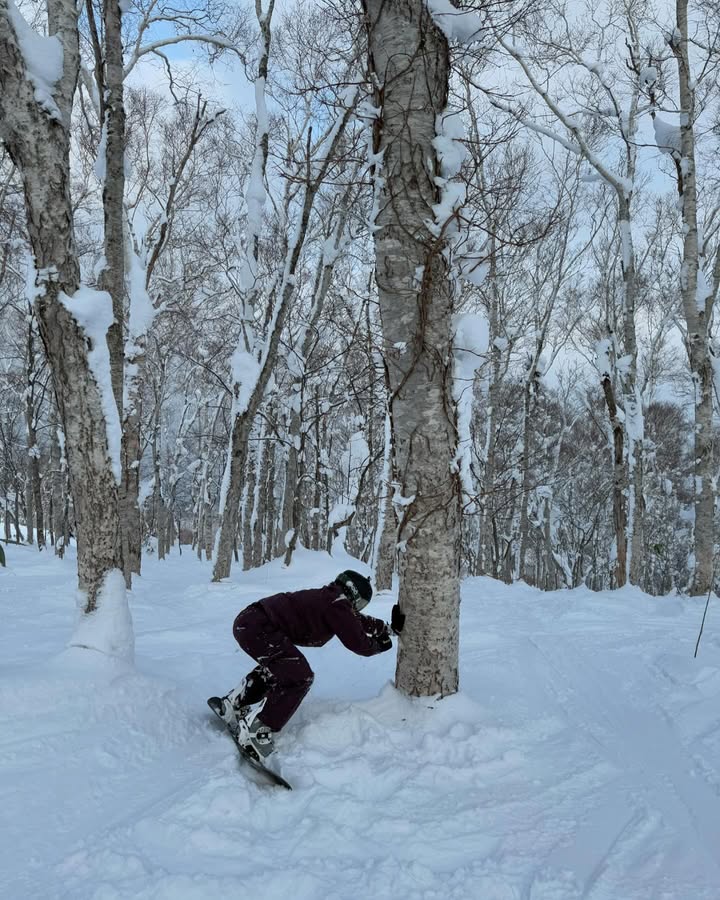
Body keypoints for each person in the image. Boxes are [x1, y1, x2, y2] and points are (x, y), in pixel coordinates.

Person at [214, 569, 405, 763]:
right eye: (361, 603)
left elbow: (357, 622)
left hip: (249, 622)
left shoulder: (331, 599)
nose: (359, 608)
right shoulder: (337, 604)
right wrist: (378, 646)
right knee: (300, 677)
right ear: (354, 594)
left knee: (282, 669)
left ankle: (233, 704)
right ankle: (259, 730)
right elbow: (357, 641)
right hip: (259, 626)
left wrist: (387, 629)